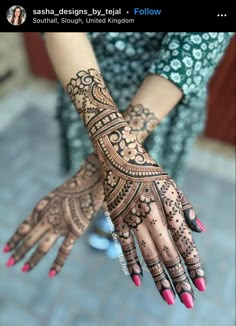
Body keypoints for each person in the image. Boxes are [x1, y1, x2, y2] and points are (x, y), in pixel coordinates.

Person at [3, 33, 234, 310]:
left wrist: (102, 170)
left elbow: (201, 41)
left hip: (164, 100)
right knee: (123, 180)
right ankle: (107, 214)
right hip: (89, 84)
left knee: (138, 183)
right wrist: (117, 155)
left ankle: (111, 215)